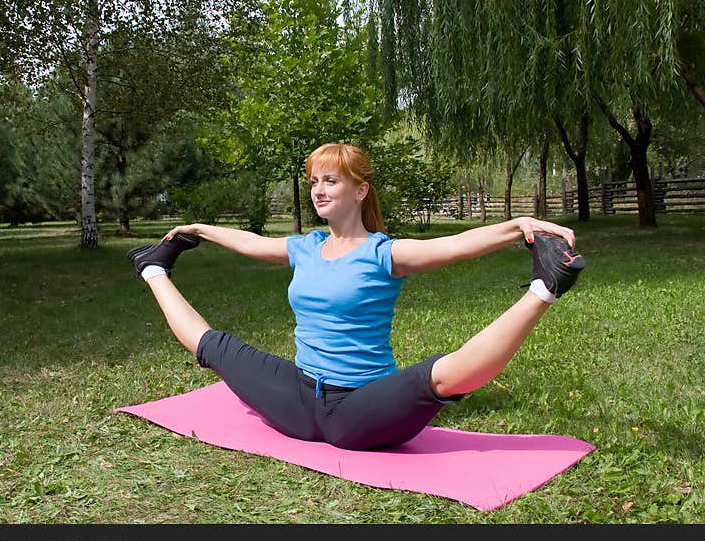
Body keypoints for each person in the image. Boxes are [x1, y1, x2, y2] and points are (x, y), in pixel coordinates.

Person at [126, 142, 585, 451]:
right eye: (314, 182)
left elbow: (454, 246)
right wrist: (200, 229)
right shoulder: (304, 247)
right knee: (215, 348)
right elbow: (249, 242)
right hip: (298, 400)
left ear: (360, 190)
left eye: (331, 181)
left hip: (362, 406)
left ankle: (544, 289)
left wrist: (518, 226)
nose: (318, 190)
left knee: (441, 376)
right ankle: (153, 268)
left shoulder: (384, 253)